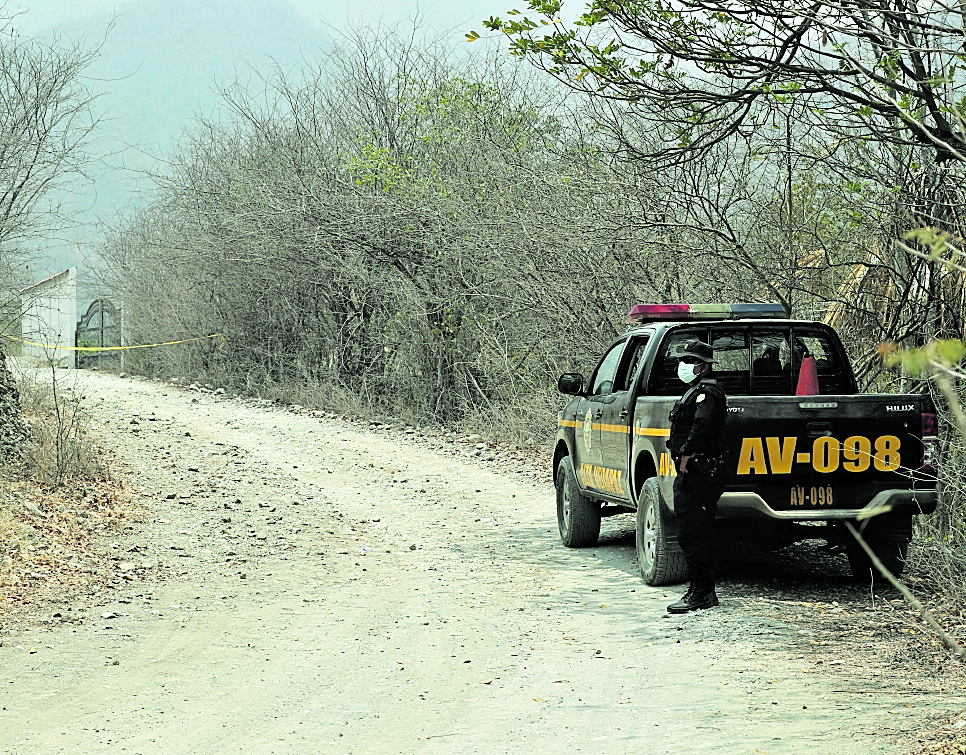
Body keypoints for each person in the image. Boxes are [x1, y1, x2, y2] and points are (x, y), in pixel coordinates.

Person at [666, 339, 728, 614]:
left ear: (703, 366)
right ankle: (703, 591)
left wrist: (688, 453)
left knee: (693, 532)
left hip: (699, 471)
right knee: (693, 531)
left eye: (690, 361)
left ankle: (700, 592)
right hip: (694, 471)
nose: (684, 365)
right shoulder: (694, 391)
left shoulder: (708, 393)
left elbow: (702, 425)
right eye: (683, 360)